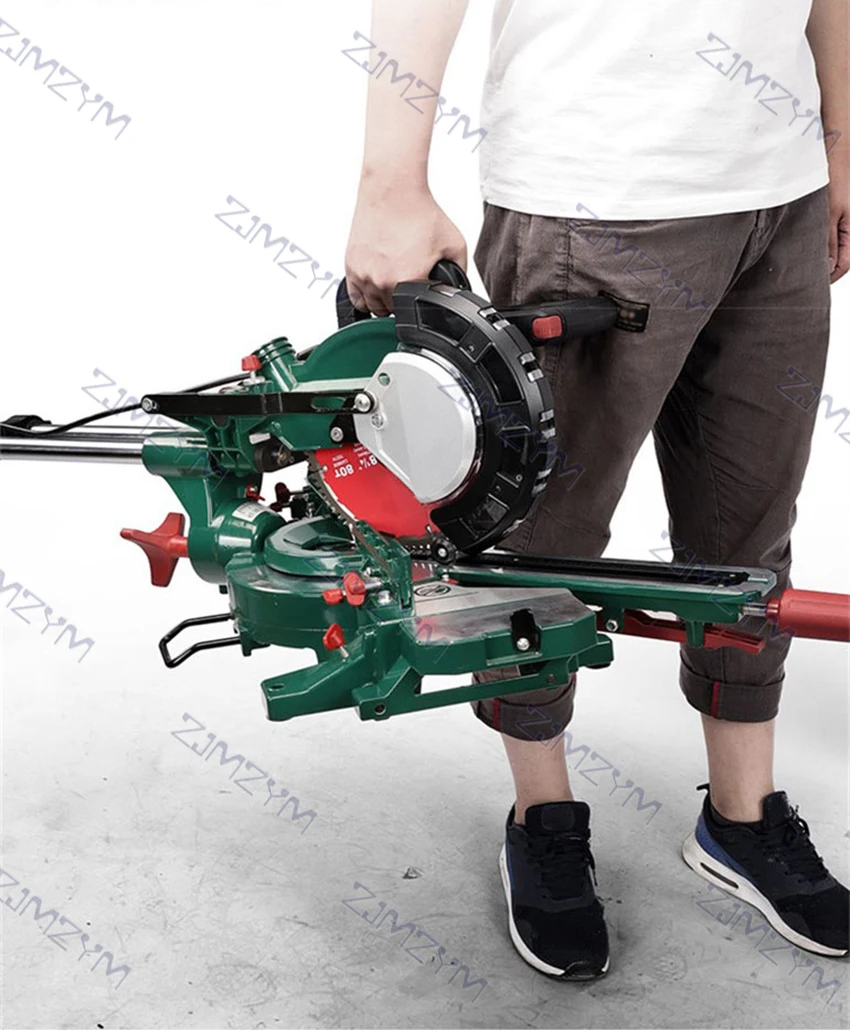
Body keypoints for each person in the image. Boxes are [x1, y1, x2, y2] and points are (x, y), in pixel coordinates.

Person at [344, 0, 850, 980]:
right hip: (591, 198)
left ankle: (741, 816)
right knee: (539, 548)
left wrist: (842, 140)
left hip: (780, 194)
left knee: (748, 536)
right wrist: (387, 184)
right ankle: (542, 813)